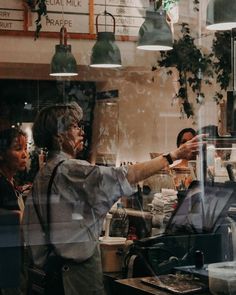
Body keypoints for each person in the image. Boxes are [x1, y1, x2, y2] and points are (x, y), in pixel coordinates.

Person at [23, 102, 204, 295]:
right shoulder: (70, 170)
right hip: (74, 277)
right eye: (74, 126)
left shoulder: (45, 171)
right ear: (59, 135)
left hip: (51, 272)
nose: (81, 132)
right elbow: (125, 175)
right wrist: (173, 155)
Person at [0, 127, 29, 295]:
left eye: (25, 148)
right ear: (2, 154)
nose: (24, 154)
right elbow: (19, 225)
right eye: (18, 149)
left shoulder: (9, 182)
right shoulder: (2, 186)